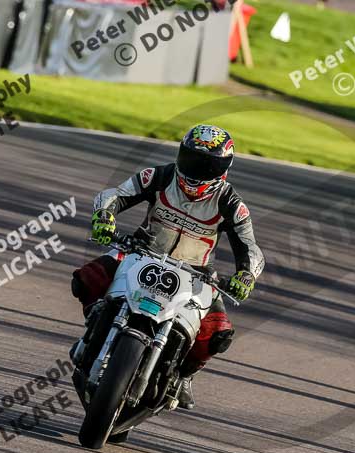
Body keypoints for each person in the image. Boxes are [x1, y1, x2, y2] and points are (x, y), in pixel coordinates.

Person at [71, 125, 264, 409]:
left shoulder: (231, 204)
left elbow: (251, 248)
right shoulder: (158, 176)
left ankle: (183, 375)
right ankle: (94, 330)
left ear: (224, 168)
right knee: (87, 279)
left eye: (207, 165)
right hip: (141, 252)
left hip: (197, 274)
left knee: (217, 335)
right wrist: (104, 216)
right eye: (191, 159)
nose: (196, 170)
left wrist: (246, 275)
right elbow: (114, 194)